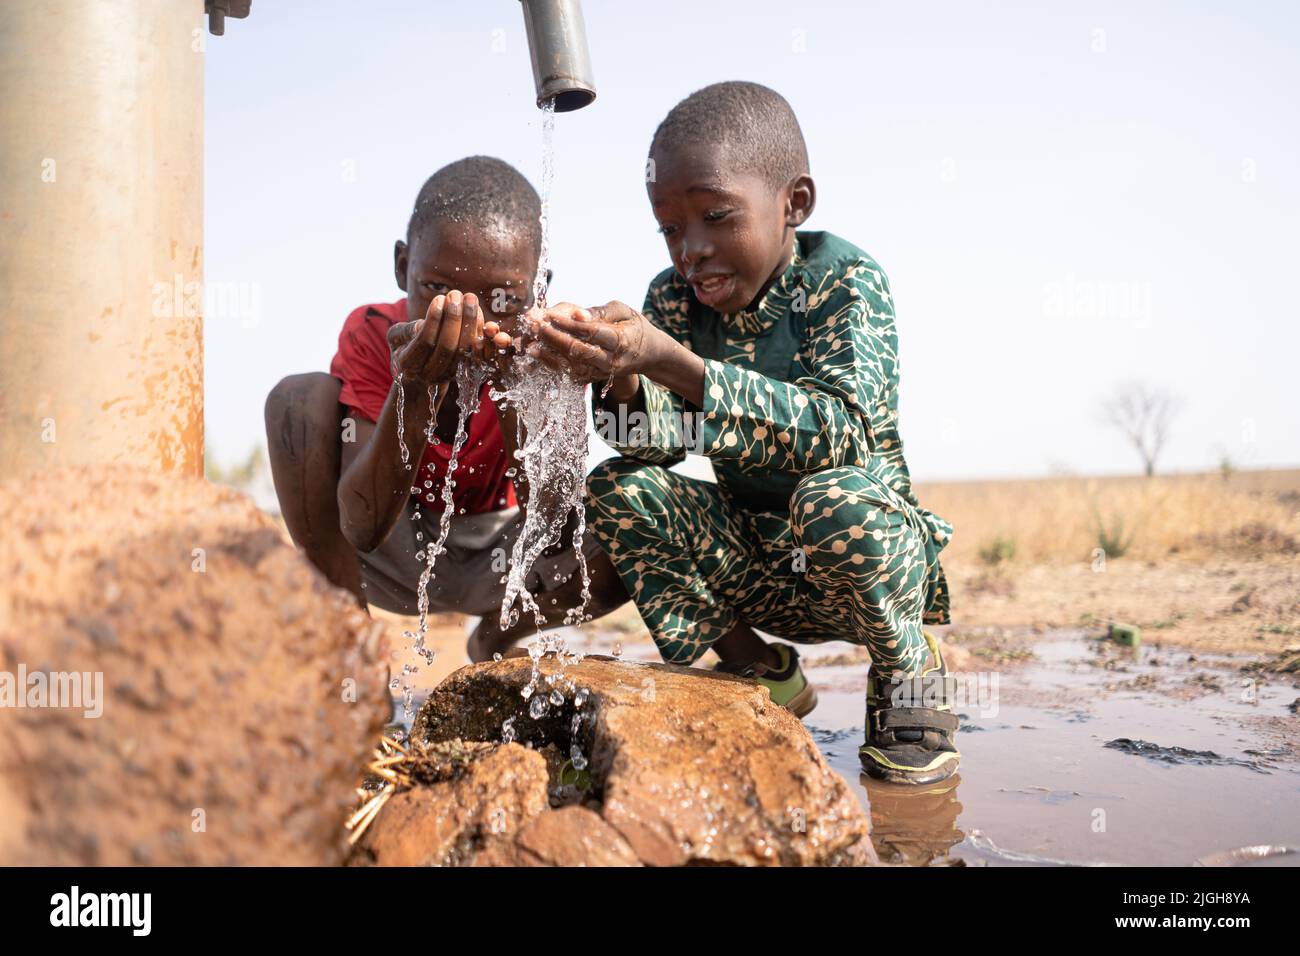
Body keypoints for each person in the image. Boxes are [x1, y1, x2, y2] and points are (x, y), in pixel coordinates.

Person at [528, 83, 959, 785]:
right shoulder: (672, 298)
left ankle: (906, 670)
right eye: (669, 229)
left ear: (795, 204)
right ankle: (759, 668)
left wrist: (668, 359)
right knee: (620, 487)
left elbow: (840, 434)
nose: (689, 251)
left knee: (834, 499)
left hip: (861, 560)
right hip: (756, 566)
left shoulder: (842, 281)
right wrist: (618, 374)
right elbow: (656, 443)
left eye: (715, 216)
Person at [264, 156, 626, 662]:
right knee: (296, 401)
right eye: (437, 289)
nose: (469, 321)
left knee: (635, 521)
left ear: (537, 287)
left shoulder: (545, 345)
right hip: (394, 550)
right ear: (401, 267)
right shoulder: (374, 334)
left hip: (509, 561)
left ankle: (495, 639)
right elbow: (360, 527)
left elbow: (555, 536)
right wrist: (413, 388)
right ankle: (350, 647)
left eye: (503, 297)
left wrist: (516, 388)